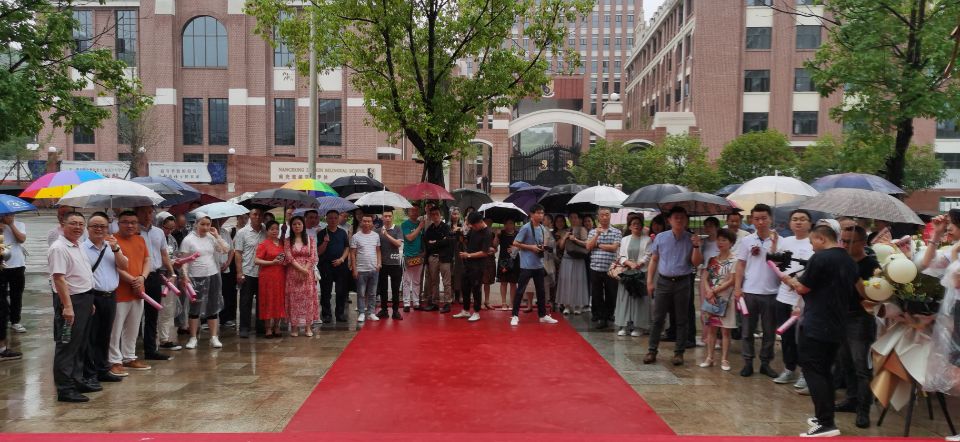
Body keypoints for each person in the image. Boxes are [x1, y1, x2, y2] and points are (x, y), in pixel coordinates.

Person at [779, 224, 859, 438]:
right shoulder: (849, 261)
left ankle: (826, 423)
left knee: (814, 372)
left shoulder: (821, 258)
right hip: (837, 324)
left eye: (812, 241)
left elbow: (804, 288)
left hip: (817, 323)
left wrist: (789, 280)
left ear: (822, 239)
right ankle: (825, 416)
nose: (811, 247)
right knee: (825, 372)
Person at [48, 212, 97, 402]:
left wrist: (89, 301)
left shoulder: (77, 245)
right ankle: (65, 388)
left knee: (80, 344)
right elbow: (59, 279)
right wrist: (67, 307)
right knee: (67, 345)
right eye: (73, 223)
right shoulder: (59, 248)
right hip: (71, 301)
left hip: (84, 299)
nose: (78, 227)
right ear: (62, 224)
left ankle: (77, 379)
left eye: (81, 224)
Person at [644, 206, 702, 366]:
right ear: (669, 220)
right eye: (675, 217)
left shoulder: (691, 239)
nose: (679, 220)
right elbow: (654, 260)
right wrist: (649, 281)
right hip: (663, 281)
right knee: (658, 318)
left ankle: (679, 352)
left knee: (682, 319)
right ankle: (651, 350)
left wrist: (697, 246)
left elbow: (696, 263)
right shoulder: (661, 238)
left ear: (686, 220)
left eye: (682, 217)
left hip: (683, 282)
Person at [836, 225, 880, 429]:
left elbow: (874, 295)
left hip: (860, 319)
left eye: (849, 241)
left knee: (861, 365)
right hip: (839, 316)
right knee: (845, 363)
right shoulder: (839, 260)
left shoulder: (871, 264)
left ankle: (863, 409)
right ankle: (851, 400)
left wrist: (855, 277)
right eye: (842, 240)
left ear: (863, 243)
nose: (844, 244)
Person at [733, 204, 780, 378]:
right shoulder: (746, 240)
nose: (760, 222)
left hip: (771, 292)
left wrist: (774, 247)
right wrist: (738, 288)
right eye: (756, 219)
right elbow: (741, 265)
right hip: (750, 292)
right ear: (751, 220)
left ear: (770, 219)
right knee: (747, 330)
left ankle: (766, 363)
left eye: (764, 218)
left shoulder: (778, 240)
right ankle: (748, 362)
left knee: (769, 331)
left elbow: (781, 265)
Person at [82, 212, 128, 385]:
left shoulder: (111, 246)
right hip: (92, 296)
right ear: (88, 229)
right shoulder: (82, 248)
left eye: (103, 226)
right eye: (95, 226)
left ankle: (103, 369)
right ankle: (89, 373)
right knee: (91, 337)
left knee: (105, 335)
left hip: (110, 296)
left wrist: (116, 248)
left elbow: (124, 265)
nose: (99, 229)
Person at [773, 210, 814, 386]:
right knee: (787, 337)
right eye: (795, 219)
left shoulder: (814, 242)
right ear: (790, 223)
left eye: (803, 219)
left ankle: (805, 373)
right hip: (784, 296)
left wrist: (798, 283)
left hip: (804, 299)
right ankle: (789, 369)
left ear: (810, 223)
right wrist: (786, 279)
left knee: (803, 338)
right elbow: (776, 264)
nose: (798, 222)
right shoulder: (785, 242)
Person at [111, 210, 152, 376]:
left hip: (138, 290)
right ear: (118, 223)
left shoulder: (140, 239)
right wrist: (132, 280)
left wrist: (142, 277)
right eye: (125, 222)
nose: (130, 225)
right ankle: (113, 360)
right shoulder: (112, 241)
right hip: (120, 291)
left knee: (133, 327)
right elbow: (113, 266)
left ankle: (129, 357)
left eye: (133, 222)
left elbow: (147, 260)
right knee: (115, 329)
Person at [179, 215, 230, 349]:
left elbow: (225, 249)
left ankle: (214, 337)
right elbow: (184, 261)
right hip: (196, 276)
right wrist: (185, 276)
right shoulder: (188, 240)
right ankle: (193, 337)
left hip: (212, 274)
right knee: (195, 307)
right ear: (196, 224)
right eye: (203, 224)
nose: (206, 227)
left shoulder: (211, 238)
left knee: (213, 306)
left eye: (208, 224)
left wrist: (217, 236)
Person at [135, 206, 173, 361]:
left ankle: (151, 349)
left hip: (155, 275)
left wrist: (171, 270)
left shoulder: (158, 232)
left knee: (153, 314)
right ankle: (128, 352)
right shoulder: (133, 232)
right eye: (143, 212)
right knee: (135, 315)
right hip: (137, 277)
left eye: (150, 212)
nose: (147, 215)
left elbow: (163, 253)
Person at [510, 204, 559, 326]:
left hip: (538, 265)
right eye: (538, 213)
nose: (540, 215)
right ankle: (515, 315)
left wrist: (543, 247)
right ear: (531, 214)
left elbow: (541, 244)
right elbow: (515, 243)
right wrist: (530, 247)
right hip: (526, 266)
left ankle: (542, 315)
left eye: (542, 213)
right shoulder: (526, 228)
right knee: (520, 291)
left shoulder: (543, 228)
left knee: (541, 292)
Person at [699, 228, 738, 371]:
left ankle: (725, 359)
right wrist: (708, 291)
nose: (720, 242)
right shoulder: (712, 260)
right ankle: (709, 357)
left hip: (726, 299)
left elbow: (732, 280)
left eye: (724, 240)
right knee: (711, 329)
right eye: (719, 239)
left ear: (731, 243)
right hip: (711, 299)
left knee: (726, 331)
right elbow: (705, 277)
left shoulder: (734, 260)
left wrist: (714, 290)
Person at [614, 215, 651, 337]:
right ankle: (624, 325)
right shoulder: (625, 240)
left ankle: (639, 326)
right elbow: (621, 255)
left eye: (638, 223)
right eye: (633, 223)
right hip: (627, 272)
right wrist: (629, 263)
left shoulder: (647, 240)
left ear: (642, 226)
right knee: (625, 299)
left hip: (640, 273)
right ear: (629, 226)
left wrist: (640, 263)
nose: (636, 225)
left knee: (639, 299)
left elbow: (648, 254)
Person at [587, 208, 622, 330]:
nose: (605, 217)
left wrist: (599, 245)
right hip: (595, 267)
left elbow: (614, 247)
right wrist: (597, 234)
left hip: (611, 268)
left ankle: (609, 314)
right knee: (596, 294)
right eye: (602, 215)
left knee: (611, 293)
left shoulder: (616, 231)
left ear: (610, 216)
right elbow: (588, 246)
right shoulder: (592, 232)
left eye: (607, 215)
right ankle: (601, 317)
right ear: (598, 217)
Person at [454, 212, 493, 321]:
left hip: (478, 265)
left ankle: (476, 312)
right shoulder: (474, 229)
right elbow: (467, 240)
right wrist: (461, 234)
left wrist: (469, 255)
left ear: (480, 222)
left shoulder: (488, 233)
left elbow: (485, 252)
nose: (473, 227)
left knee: (476, 288)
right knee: (465, 286)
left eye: (474, 225)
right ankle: (466, 310)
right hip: (468, 263)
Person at [284, 216, 319, 336]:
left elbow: (313, 256)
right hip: (292, 273)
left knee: (307, 299)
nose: (297, 226)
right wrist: (300, 269)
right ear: (291, 226)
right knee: (293, 299)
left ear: (303, 225)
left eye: (299, 224)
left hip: (307, 273)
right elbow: (289, 257)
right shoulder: (288, 240)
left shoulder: (310, 240)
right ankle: (294, 327)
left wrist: (305, 269)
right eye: (294, 224)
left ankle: (308, 327)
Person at [234, 208, 265, 338]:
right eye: (254, 214)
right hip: (247, 271)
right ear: (250, 216)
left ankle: (260, 327)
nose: (257, 217)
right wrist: (239, 272)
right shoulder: (242, 232)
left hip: (263, 272)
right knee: (245, 301)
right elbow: (238, 253)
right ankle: (244, 327)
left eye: (260, 215)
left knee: (262, 301)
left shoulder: (266, 230)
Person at [318, 210, 351, 323]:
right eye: (330, 218)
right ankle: (326, 314)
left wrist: (342, 259)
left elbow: (347, 247)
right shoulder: (321, 233)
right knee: (325, 292)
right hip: (326, 266)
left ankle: (340, 314)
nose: (333, 220)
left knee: (341, 292)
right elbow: (318, 252)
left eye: (335, 218)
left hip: (341, 265)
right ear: (326, 219)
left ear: (338, 219)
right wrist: (325, 242)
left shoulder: (343, 232)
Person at [255, 221, 286, 337]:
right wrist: (271, 262)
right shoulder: (264, 244)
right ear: (267, 231)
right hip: (267, 276)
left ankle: (277, 326)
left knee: (278, 300)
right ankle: (268, 327)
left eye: (276, 229)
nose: (275, 231)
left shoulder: (282, 243)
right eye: (272, 229)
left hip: (280, 275)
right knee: (268, 301)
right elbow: (256, 260)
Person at [157, 215, 183, 352]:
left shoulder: (172, 239)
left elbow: (176, 254)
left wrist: (176, 263)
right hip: (158, 276)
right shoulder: (154, 237)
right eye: (166, 228)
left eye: (172, 229)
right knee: (155, 310)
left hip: (171, 278)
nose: (169, 231)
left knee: (168, 310)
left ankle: (165, 338)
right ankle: (153, 338)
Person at [556, 213, 590, 315]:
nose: (573, 219)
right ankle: (567, 305)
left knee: (578, 281)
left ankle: (578, 306)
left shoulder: (582, 229)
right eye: (571, 217)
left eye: (575, 217)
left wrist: (575, 239)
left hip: (578, 259)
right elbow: (561, 247)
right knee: (566, 282)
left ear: (579, 219)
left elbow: (586, 244)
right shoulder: (565, 230)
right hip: (566, 259)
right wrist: (565, 236)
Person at [351, 214, 382, 322]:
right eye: (364, 221)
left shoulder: (376, 236)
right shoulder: (356, 236)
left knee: (372, 293)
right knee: (361, 293)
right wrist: (354, 269)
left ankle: (371, 312)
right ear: (361, 222)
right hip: (361, 269)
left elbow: (378, 251)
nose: (366, 223)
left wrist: (379, 263)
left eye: (369, 221)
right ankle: (361, 313)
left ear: (372, 223)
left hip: (374, 269)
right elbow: (353, 254)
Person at [1, 213, 27, 335]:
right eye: (6, 214)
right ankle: (3, 321)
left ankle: (15, 321)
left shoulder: (19, 224)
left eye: (11, 214)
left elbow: (21, 239)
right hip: (1, 265)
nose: (9, 216)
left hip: (17, 265)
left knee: (16, 294)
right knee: (2, 296)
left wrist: (11, 225)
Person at [423, 206, 453, 313]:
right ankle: (434, 302)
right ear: (430, 216)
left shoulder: (446, 227)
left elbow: (448, 242)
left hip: (445, 258)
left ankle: (447, 303)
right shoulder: (429, 229)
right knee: (433, 281)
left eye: (437, 214)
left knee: (446, 281)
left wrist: (435, 242)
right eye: (433, 214)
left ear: (440, 215)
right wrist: (440, 241)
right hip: (433, 258)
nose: (435, 216)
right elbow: (428, 244)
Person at [377, 211, 404, 320]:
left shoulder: (397, 228)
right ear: (382, 217)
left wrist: (387, 235)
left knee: (395, 289)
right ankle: (384, 310)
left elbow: (398, 243)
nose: (387, 218)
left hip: (395, 263)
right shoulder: (377, 230)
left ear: (392, 217)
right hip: (382, 264)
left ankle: (396, 311)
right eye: (385, 216)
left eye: (389, 216)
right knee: (383, 288)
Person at [400, 206, 426, 312]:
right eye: (412, 210)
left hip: (418, 256)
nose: (414, 212)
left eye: (416, 210)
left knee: (417, 281)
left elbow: (423, 239)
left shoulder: (421, 223)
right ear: (408, 212)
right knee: (406, 281)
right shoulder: (405, 224)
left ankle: (416, 302)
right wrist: (419, 227)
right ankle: (406, 303)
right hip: (408, 256)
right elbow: (409, 237)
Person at [494, 219, 520, 310]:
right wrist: (496, 236)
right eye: (507, 223)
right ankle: (504, 303)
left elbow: (522, 246)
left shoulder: (518, 234)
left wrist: (515, 248)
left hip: (515, 260)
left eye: (511, 223)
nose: (509, 225)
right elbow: (495, 245)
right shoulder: (501, 233)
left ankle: (512, 303)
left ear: (514, 224)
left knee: (513, 283)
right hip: (503, 260)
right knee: (503, 282)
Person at [449, 208, 465, 306]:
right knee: (451, 275)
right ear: (450, 215)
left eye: (457, 214)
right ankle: (452, 295)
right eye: (453, 214)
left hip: (460, 251)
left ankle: (460, 296)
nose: (455, 216)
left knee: (460, 274)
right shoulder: (447, 226)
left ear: (459, 215)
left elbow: (464, 239)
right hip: (450, 252)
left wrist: (460, 230)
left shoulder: (462, 226)